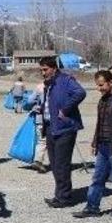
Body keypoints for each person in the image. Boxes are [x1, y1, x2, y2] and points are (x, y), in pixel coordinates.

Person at [72, 71, 112, 218]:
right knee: (98, 178)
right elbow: (99, 124)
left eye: (101, 85)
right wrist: (95, 142)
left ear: (111, 82)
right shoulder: (103, 100)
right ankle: (92, 208)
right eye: (97, 85)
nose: (99, 88)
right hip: (103, 145)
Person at [40, 56, 87, 208]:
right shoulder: (49, 83)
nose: (43, 72)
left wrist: (66, 109)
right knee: (54, 164)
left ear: (54, 68)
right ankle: (59, 194)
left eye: (45, 69)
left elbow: (80, 93)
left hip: (65, 128)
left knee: (62, 164)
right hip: (50, 127)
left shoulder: (66, 80)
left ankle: (65, 197)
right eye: (41, 70)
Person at [28, 81, 49, 173]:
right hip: (53, 119)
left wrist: (36, 105)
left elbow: (30, 100)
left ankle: (38, 160)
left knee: (41, 140)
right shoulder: (58, 86)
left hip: (40, 118)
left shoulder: (39, 86)